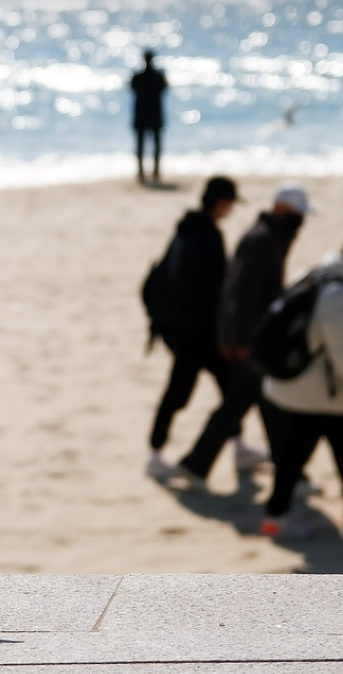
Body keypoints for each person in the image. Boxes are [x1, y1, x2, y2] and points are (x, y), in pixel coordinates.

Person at [152, 182, 311, 488]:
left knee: (239, 403)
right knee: (249, 404)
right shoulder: (256, 241)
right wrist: (234, 341)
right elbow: (235, 294)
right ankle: (289, 475)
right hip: (226, 340)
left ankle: (198, 464)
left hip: (214, 336)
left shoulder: (250, 237)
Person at [259, 228, 343, 536]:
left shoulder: (315, 274)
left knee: (342, 432)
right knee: (296, 453)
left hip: (300, 382)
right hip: (314, 389)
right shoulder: (342, 296)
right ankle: (275, 517)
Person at [146, 176, 239, 476]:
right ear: (222, 202)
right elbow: (215, 292)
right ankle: (155, 454)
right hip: (195, 332)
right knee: (182, 390)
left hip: (177, 326)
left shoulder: (186, 228)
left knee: (229, 386)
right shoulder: (208, 236)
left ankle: (239, 446)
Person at [130, 49, 168, 185]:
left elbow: (132, 89)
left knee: (142, 145)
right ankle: (154, 173)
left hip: (142, 114)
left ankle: (143, 173)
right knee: (154, 145)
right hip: (154, 114)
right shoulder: (158, 77)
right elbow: (165, 88)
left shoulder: (138, 77)